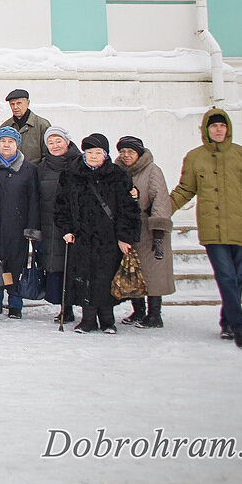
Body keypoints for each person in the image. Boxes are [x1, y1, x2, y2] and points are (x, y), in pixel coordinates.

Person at [169, 109, 242, 349]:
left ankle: (226, 320)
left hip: (241, 227)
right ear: (206, 130)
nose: (218, 130)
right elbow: (184, 190)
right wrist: (161, 209)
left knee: (238, 278)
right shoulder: (195, 157)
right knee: (225, 275)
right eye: (213, 126)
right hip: (212, 228)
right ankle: (240, 327)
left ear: (228, 128)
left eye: (222, 126)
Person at [56, 133, 140, 334]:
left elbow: (128, 209)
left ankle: (108, 320)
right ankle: (88, 319)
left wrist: (125, 237)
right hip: (81, 236)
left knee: (105, 277)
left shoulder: (118, 175)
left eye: (98, 152)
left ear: (106, 154)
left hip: (108, 238)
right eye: (90, 152)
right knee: (84, 276)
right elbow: (61, 205)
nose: (93, 156)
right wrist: (66, 230)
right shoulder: (71, 174)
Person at [116, 135, 175, 328]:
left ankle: (155, 314)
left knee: (153, 272)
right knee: (133, 270)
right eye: (122, 152)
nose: (125, 155)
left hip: (150, 229)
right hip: (128, 229)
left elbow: (160, 198)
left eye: (130, 152)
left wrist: (158, 228)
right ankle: (138, 311)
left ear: (139, 154)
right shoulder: (118, 171)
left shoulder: (152, 171)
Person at [0, 127, 42, 318]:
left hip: (17, 226)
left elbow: (34, 200)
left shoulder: (29, 169)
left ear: (17, 144)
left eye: (11, 141)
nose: (6, 145)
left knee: (14, 265)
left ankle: (15, 302)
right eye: (3, 141)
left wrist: (31, 227)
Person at [37, 127, 80, 322]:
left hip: (74, 224)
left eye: (58, 141)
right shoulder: (43, 166)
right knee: (57, 267)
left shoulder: (79, 163)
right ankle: (65, 307)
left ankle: (79, 305)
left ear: (67, 142)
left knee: (74, 265)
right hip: (49, 223)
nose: (55, 146)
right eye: (51, 142)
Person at [5, 88, 51, 165]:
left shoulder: (42, 125)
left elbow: (48, 153)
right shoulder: (6, 126)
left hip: (35, 172)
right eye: (12, 104)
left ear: (28, 103)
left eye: (19, 103)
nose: (15, 107)